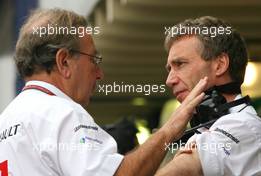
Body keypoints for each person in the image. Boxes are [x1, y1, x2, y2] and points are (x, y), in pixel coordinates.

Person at [0, 8, 208, 176]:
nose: (99, 74)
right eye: (93, 59)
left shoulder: (7, 118)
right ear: (63, 62)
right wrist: (171, 128)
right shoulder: (60, 113)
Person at [155, 16, 261, 176]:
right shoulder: (209, 128)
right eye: (169, 69)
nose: (169, 80)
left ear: (220, 65)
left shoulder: (243, 125)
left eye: (180, 64)